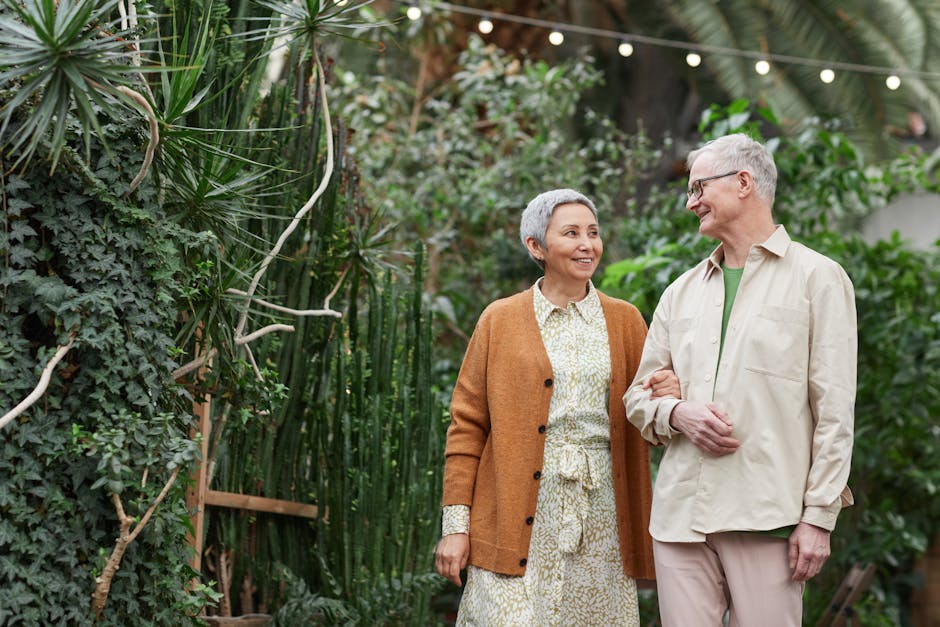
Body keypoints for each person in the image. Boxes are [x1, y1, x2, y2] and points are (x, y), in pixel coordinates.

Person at [624, 133, 857, 626]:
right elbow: (638, 398)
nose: (691, 204)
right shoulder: (679, 293)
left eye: (698, 188)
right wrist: (676, 412)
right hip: (680, 520)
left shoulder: (820, 279)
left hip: (767, 517)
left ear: (744, 182)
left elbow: (835, 412)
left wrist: (818, 518)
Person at [434, 188, 678, 625]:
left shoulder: (626, 321)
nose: (587, 244)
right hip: (513, 514)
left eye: (593, 232)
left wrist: (666, 394)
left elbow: (649, 417)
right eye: (571, 233)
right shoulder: (499, 320)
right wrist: (456, 526)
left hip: (601, 513)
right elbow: (467, 426)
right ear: (536, 246)